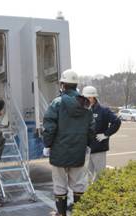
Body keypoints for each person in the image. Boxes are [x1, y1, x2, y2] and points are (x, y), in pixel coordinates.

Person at [42, 69, 94, 216]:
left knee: (60, 185)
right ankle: (79, 213)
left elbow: (49, 127)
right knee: (79, 184)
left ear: (63, 85)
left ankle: (61, 214)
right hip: (78, 151)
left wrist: (47, 145)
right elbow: (91, 128)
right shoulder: (86, 104)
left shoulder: (57, 103)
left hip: (59, 152)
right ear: (76, 84)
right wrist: (88, 144)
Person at [82, 86, 121, 181]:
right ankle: (88, 193)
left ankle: (100, 194)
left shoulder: (103, 110)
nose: (87, 100)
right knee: (86, 175)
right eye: (85, 98)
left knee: (100, 175)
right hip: (85, 148)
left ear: (93, 97)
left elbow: (117, 122)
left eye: (89, 98)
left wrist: (106, 134)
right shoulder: (82, 110)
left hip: (98, 147)